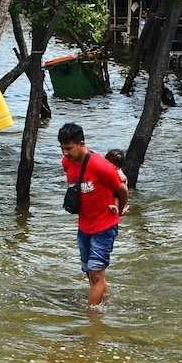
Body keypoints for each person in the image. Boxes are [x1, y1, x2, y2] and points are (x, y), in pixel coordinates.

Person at [59, 123, 128, 308]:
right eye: (62, 148)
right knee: (91, 273)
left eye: (69, 148)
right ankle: (106, 301)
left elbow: (121, 190)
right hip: (84, 226)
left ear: (81, 143)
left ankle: (92, 320)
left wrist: (119, 211)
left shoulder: (101, 166)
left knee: (96, 273)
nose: (65, 153)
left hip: (105, 226)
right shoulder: (67, 162)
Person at [104, 148, 131, 216]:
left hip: (112, 209)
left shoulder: (120, 177)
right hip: (114, 208)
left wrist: (120, 210)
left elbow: (124, 193)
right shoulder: (120, 175)